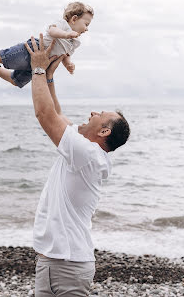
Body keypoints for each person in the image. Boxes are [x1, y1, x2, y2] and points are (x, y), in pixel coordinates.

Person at [25, 34, 130, 296]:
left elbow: (45, 115)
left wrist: (37, 67)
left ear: (104, 132)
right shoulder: (87, 153)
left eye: (100, 115)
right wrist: (48, 77)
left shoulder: (86, 153)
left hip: (63, 264)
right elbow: (57, 114)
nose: (93, 112)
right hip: (67, 262)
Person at [0, 2, 93, 89]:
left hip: (42, 64)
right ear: (74, 19)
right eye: (86, 24)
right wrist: (66, 35)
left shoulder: (75, 42)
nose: (86, 29)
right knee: (5, 56)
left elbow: (65, 56)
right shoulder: (62, 25)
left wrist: (68, 65)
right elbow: (51, 31)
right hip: (32, 50)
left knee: (16, 81)